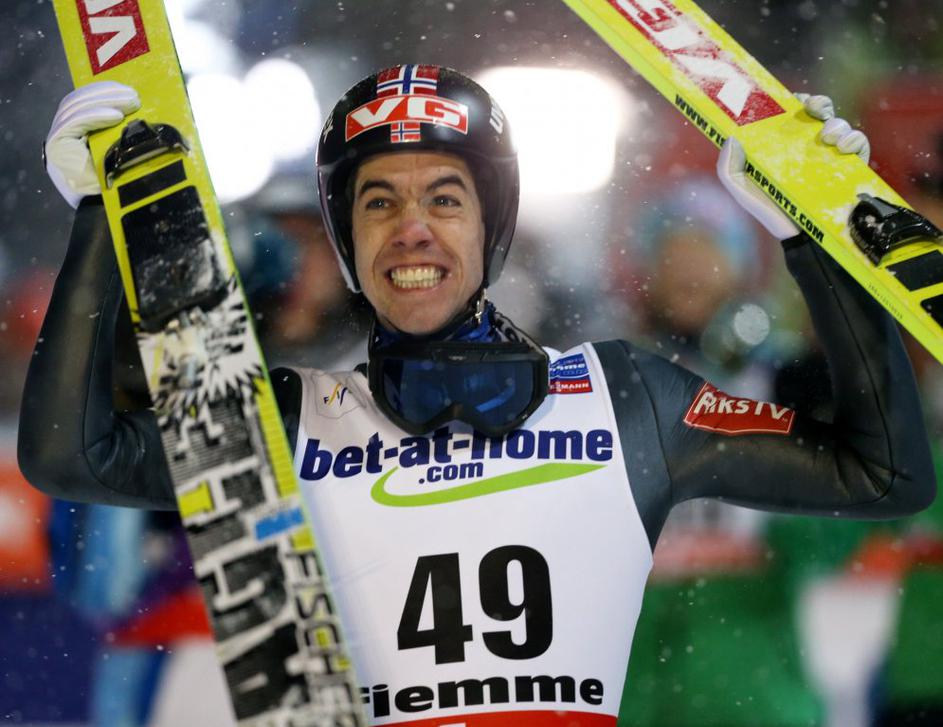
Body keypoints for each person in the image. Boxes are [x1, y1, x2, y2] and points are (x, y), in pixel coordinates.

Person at [19, 67, 936, 726]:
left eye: (446, 199)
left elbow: (885, 474)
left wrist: (814, 241)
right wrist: (102, 220)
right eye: (378, 202)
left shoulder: (619, 397)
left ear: (492, 227)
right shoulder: (291, 415)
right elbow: (70, 452)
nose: (410, 227)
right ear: (348, 240)